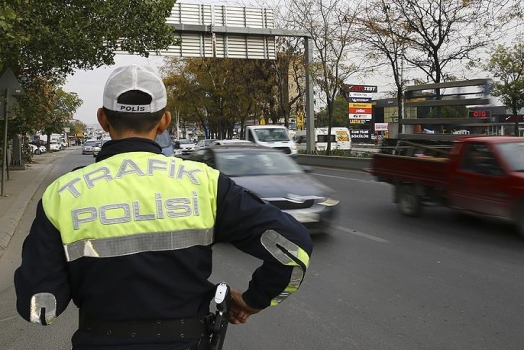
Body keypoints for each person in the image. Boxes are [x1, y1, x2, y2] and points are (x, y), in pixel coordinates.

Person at [14, 64, 313, 349]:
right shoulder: (205, 183)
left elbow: (40, 308)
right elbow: (293, 247)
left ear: (103, 120)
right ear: (165, 121)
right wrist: (254, 300)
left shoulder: (63, 193)